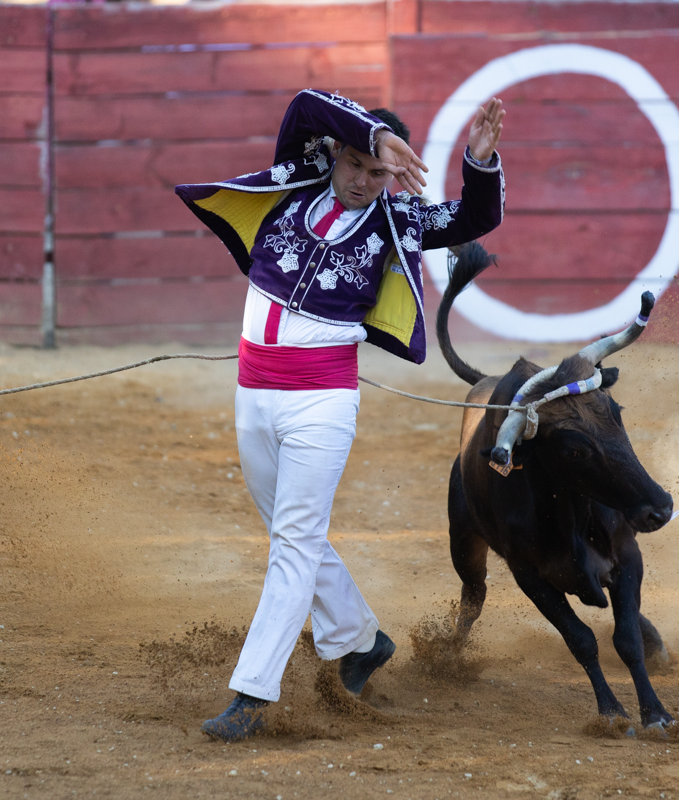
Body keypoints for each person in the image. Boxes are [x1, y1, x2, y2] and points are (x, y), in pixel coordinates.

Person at [175, 89, 505, 741]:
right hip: (254, 392)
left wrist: (478, 161)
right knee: (292, 534)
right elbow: (303, 104)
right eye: (355, 163)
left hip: (322, 403)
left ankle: (251, 694)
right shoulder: (297, 175)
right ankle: (360, 641)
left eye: (378, 173)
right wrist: (370, 133)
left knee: (294, 544)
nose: (362, 181)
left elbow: (474, 217)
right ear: (337, 154)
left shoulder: (398, 220)